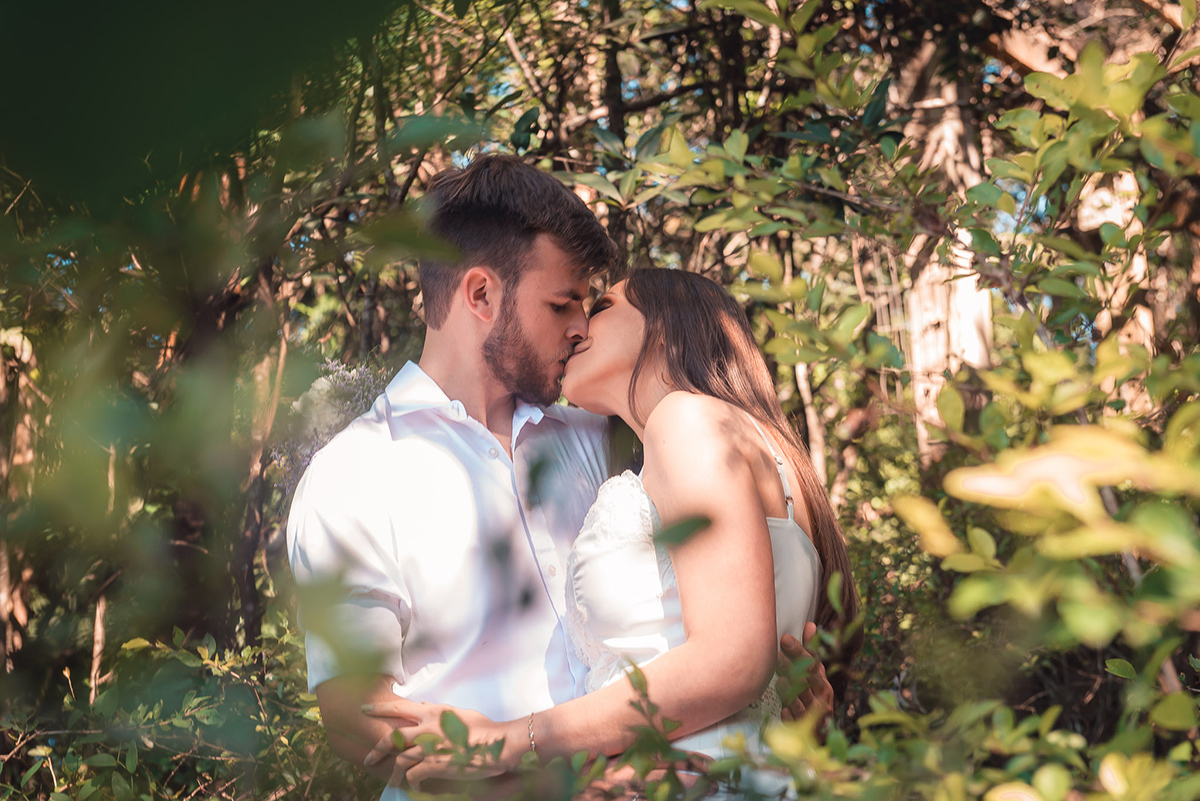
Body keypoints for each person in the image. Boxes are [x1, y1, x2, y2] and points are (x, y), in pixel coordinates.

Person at [286, 155, 834, 801]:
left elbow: (722, 617)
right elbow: (360, 716)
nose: (580, 326)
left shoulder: (614, 439)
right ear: (481, 294)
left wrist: (774, 714)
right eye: (562, 302)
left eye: (589, 302)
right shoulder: (355, 473)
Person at [359, 268, 859, 793]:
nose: (577, 329)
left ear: (664, 326)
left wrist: (504, 741)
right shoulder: (774, 461)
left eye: (601, 307)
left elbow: (733, 659)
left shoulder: (686, 420)